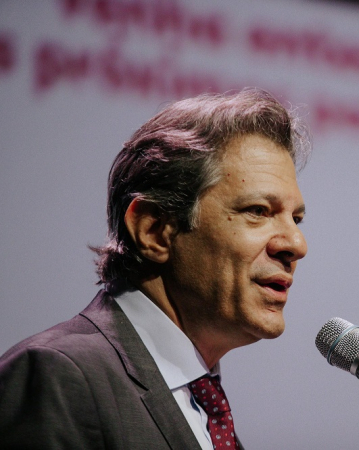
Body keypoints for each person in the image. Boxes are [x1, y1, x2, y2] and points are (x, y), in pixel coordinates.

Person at [0, 88, 310, 449]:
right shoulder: (58, 377)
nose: (296, 245)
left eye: (296, 219)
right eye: (258, 211)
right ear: (155, 231)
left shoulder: (206, 409)